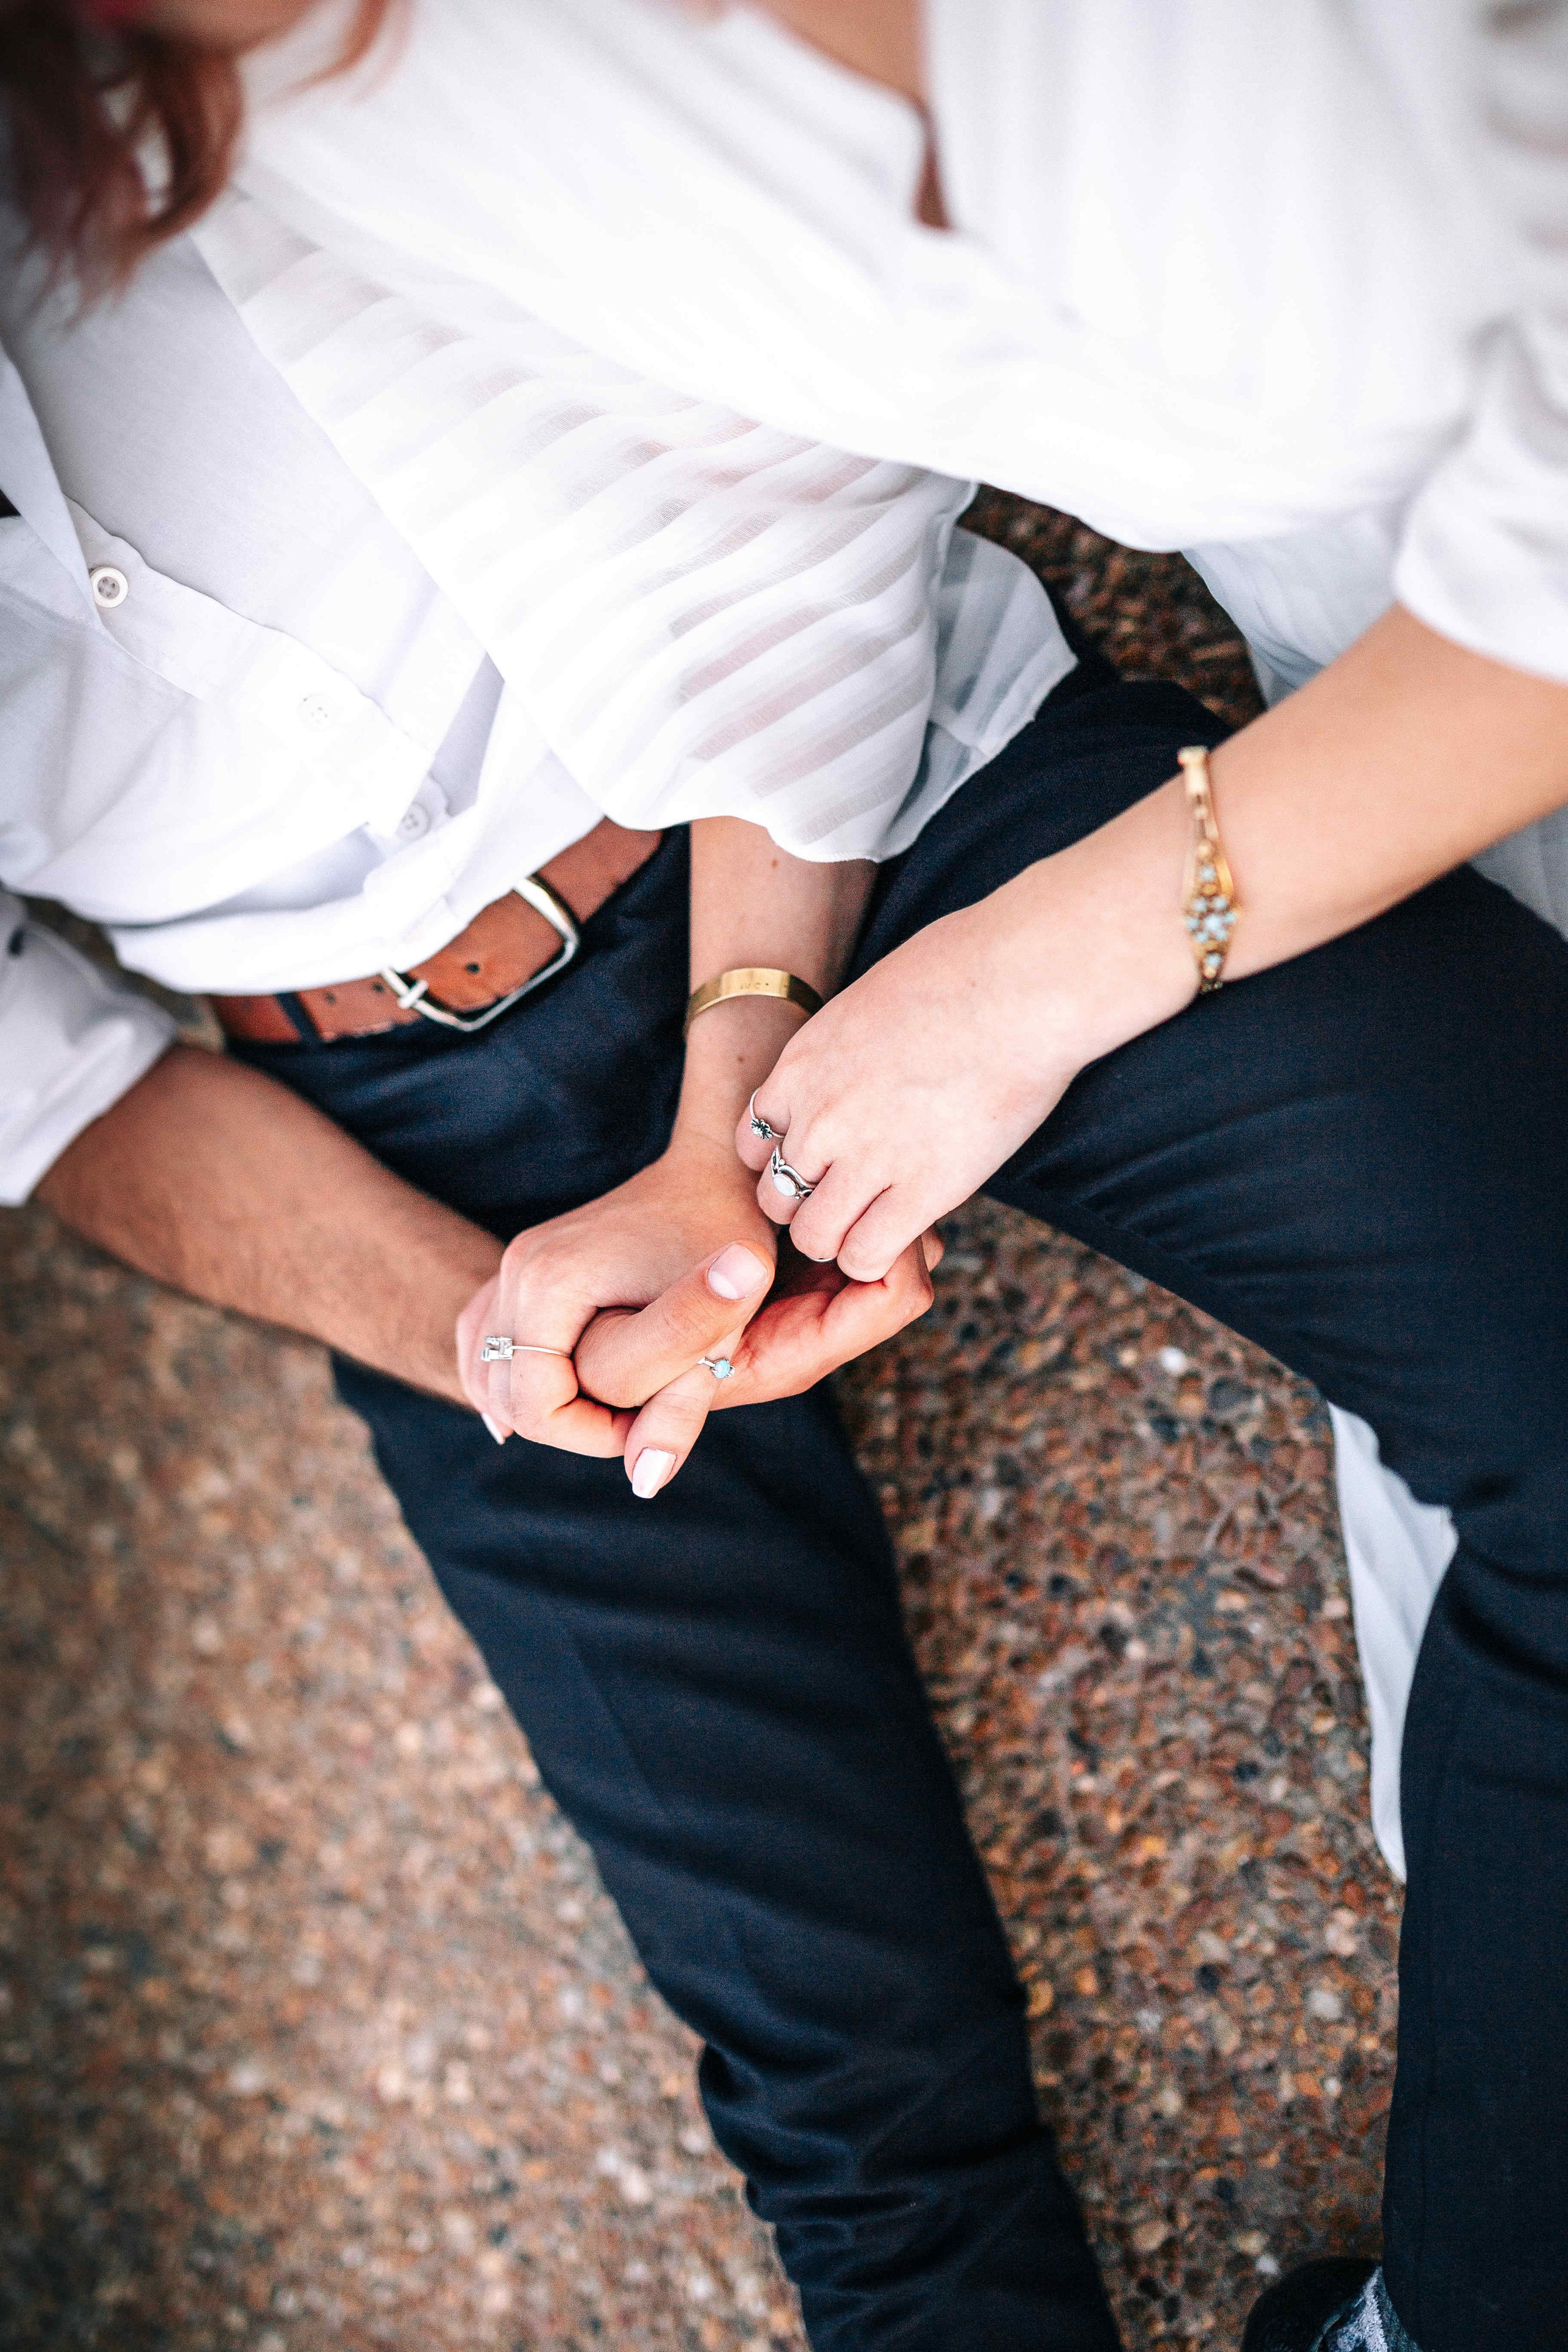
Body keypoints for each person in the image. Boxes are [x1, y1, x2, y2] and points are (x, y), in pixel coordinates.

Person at [2, 2, 1567, 2346]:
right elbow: (43, 1102)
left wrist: (752, 1039)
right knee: (854, 2103)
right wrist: (485, 1330)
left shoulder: (272, 85)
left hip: (888, 784)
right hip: (381, 1123)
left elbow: (727, 458)